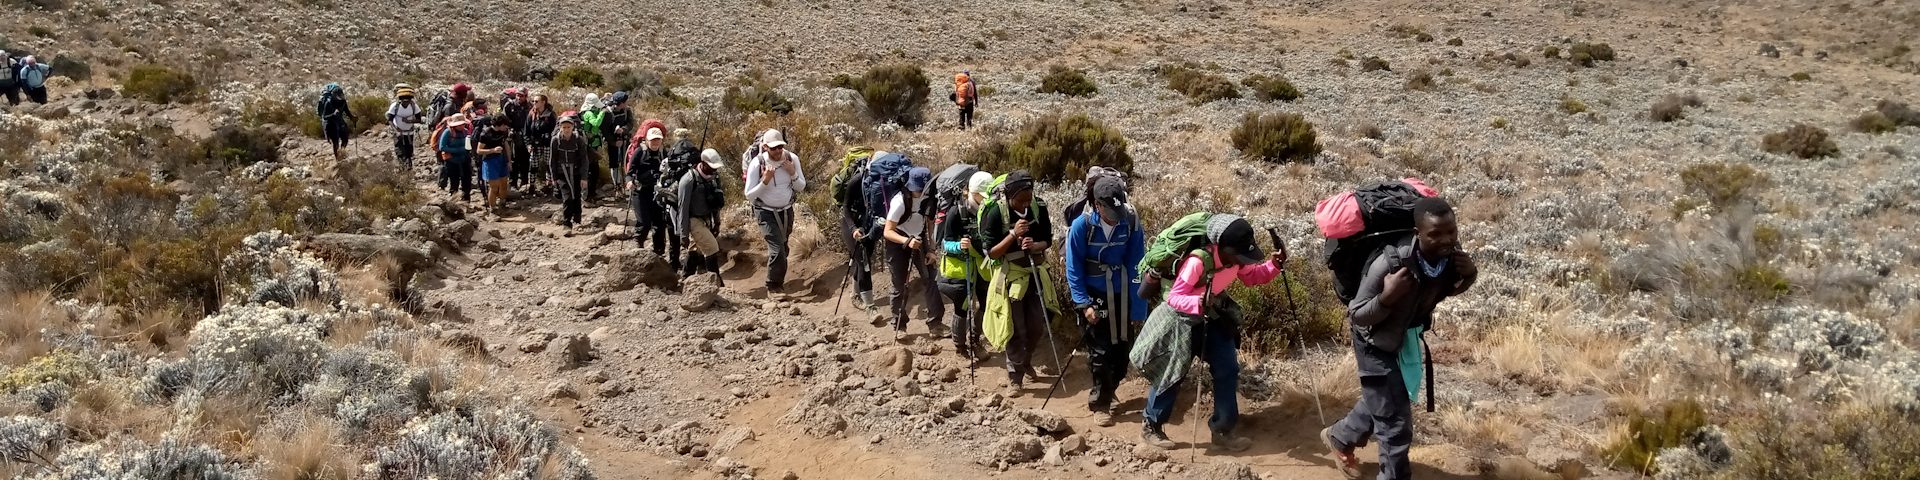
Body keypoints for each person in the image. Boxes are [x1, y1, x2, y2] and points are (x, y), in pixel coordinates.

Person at [1323, 197, 1475, 480]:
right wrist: (1385, 297)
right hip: (1373, 340)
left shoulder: (1449, 258)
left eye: (1451, 231)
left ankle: (1340, 438)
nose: (1446, 240)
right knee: (1395, 425)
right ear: (1418, 234)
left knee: (1383, 399)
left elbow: (1444, 289)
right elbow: (1357, 314)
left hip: (1405, 335)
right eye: (1436, 234)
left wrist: (1469, 276)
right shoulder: (1391, 262)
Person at [1133, 214, 1283, 452]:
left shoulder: (1236, 259)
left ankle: (1223, 429)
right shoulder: (1198, 261)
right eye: (1240, 256)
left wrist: (1274, 266)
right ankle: (1151, 426)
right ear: (1222, 248)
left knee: (1227, 369)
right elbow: (1174, 297)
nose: (1242, 261)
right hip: (1181, 319)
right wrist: (1198, 301)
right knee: (1173, 372)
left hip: (1211, 314)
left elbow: (1252, 277)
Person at [1062, 176, 1147, 427]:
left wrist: (1138, 305)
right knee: (1100, 352)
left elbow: (1136, 264)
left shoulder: (1130, 222)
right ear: (1098, 205)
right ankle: (1100, 403)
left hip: (1121, 294)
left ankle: (1110, 388)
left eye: (1118, 209)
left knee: (1123, 351)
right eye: (1110, 210)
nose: (1116, 215)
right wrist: (1083, 303)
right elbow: (1073, 268)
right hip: (1093, 295)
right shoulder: (1081, 226)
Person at [978, 170, 1056, 397]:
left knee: (1036, 326)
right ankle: (1015, 377)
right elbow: (991, 253)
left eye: (1028, 198)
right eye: (1020, 200)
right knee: (1015, 328)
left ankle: (1025, 361)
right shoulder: (994, 212)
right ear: (1009, 196)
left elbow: (1048, 240)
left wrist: (1035, 245)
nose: (1025, 204)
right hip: (1010, 276)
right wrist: (1013, 235)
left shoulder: (1038, 207)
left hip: (1034, 272)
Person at [879, 166, 949, 342]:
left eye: (922, 188)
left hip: (919, 239)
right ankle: (899, 324)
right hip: (898, 241)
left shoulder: (930, 198)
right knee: (900, 283)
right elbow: (888, 231)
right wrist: (906, 241)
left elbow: (930, 223)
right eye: (917, 188)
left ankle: (935, 324)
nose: (919, 191)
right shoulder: (900, 201)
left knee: (932, 279)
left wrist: (931, 249)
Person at [937, 171, 995, 358]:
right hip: (962, 268)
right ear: (973, 193)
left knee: (985, 304)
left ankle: (975, 341)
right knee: (962, 307)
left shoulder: (988, 210)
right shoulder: (956, 212)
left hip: (983, 267)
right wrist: (959, 246)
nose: (985, 201)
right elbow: (945, 243)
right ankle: (960, 345)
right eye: (982, 197)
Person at [743, 129, 805, 295]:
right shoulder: (757, 163)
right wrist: (765, 180)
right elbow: (749, 195)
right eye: (773, 148)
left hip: (787, 210)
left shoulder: (792, 159)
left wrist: (792, 173)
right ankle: (773, 286)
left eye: (780, 147)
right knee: (777, 249)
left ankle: (779, 281)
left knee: (783, 248)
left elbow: (801, 186)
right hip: (765, 211)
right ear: (765, 147)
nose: (778, 151)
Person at [628, 127, 681, 271]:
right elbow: (630, 171)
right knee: (644, 221)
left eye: (658, 139)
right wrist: (630, 181)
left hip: (658, 193)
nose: (655, 142)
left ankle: (659, 252)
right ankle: (638, 243)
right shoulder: (640, 152)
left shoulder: (665, 153)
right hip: (640, 192)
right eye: (653, 140)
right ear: (647, 140)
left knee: (660, 223)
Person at [676, 149, 728, 284]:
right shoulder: (687, 180)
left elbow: (716, 203)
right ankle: (716, 282)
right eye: (712, 167)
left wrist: (717, 222)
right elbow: (683, 208)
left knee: (697, 248)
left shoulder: (714, 178)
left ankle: (686, 277)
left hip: (707, 218)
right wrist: (683, 234)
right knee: (711, 247)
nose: (715, 170)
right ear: (703, 164)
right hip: (693, 219)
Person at [549, 113, 591, 233]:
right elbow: (552, 160)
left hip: (576, 172)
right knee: (567, 197)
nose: (566, 129)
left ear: (573, 127)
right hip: (562, 173)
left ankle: (577, 220)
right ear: (560, 127)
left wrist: (584, 177)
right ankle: (567, 223)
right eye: (564, 127)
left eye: (568, 127)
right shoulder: (555, 140)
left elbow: (584, 159)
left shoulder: (578, 140)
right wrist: (554, 177)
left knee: (576, 196)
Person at [475, 114, 513, 215]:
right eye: (505, 125)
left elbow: (506, 146)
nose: (506, 127)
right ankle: (493, 208)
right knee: (494, 186)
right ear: (500, 124)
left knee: (504, 184)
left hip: (501, 159)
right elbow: (479, 150)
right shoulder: (486, 133)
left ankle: (502, 203)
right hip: (490, 161)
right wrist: (493, 150)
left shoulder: (504, 132)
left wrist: (509, 161)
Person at [436, 114, 475, 202]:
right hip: (452, 160)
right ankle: (454, 201)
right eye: (460, 124)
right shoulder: (448, 132)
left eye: (463, 124)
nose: (462, 126)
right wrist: (458, 150)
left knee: (467, 180)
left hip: (465, 159)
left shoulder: (466, 132)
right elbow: (442, 147)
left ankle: (466, 200)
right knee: (454, 181)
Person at [526, 94, 558, 197]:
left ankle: (549, 185)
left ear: (543, 102)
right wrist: (528, 144)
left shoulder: (550, 115)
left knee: (549, 164)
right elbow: (526, 130)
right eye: (533, 101)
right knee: (533, 164)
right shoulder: (531, 114)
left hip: (548, 144)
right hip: (535, 144)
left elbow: (555, 129)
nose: (534, 103)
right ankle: (532, 185)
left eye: (536, 101)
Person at [601, 91, 635, 188]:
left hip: (624, 139)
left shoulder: (627, 110)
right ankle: (617, 185)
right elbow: (605, 131)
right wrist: (614, 142)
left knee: (626, 161)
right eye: (625, 102)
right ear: (621, 103)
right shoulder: (607, 113)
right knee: (614, 163)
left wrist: (623, 130)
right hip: (612, 142)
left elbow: (630, 123)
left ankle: (626, 182)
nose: (626, 104)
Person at [386, 84, 423, 168]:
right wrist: (396, 131)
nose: (406, 103)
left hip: (409, 132)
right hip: (398, 132)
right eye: (404, 101)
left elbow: (419, 119)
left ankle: (409, 168)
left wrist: (409, 121)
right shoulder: (394, 106)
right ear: (400, 100)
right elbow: (390, 119)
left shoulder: (414, 106)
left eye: (408, 101)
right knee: (400, 150)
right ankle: (402, 168)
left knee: (409, 150)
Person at [503, 88, 533, 191]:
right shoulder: (510, 105)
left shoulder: (530, 107)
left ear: (526, 96)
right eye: (518, 95)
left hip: (526, 135)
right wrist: (509, 130)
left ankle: (524, 182)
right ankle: (513, 182)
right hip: (513, 135)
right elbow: (504, 120)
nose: (519, 97)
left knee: (525, 159)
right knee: (513, 159)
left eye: (522, 95)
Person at [317, 83, 355, 160]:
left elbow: (346, 110)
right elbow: (324, 116)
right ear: (334, 95)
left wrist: (352, 117)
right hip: (329, 121)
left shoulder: (342, 101)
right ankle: (338, 159)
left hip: (338, 119)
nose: (339, 99)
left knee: (345, 137)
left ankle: (342, 152)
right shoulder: (328, 103)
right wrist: (333, 114)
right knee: (335, 140)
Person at [580, 94, 607, 200]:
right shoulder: (588, 113)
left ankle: (592, 193)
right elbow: (596, 123)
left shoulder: (588, 112)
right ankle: (589, 195)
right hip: (589, 147)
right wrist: (602, 113)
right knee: (592, 171)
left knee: (593, 170)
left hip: (592, 145)